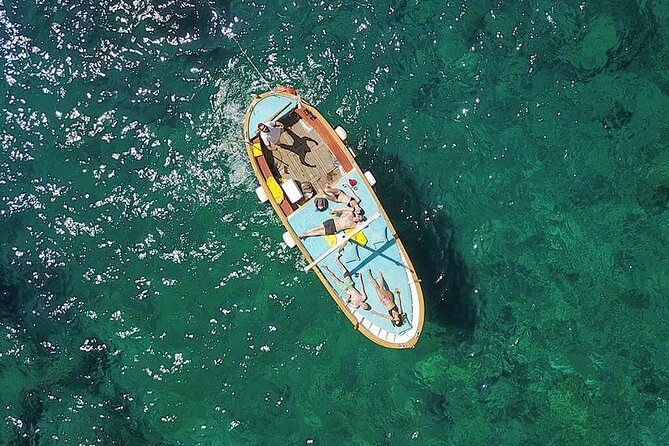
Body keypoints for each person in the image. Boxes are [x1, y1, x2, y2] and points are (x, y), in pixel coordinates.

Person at [298, 208, 365, 239]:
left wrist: (362, 222)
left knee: (319, 232)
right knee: (318, 227)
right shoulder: (350, 214)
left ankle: (306, 235)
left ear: (359, 221)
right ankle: (306, 232)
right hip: (332, 221)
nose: (358, 218)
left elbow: (363, 225)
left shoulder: (354, 225)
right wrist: (335, 211)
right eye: (359, 216)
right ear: (357, 215)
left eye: (359, 219)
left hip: (334, 229)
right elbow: (342, 210)